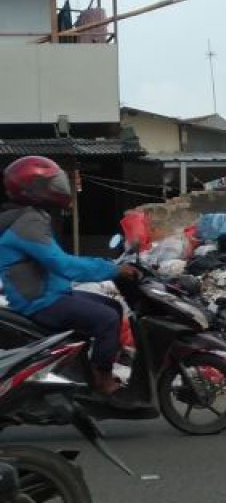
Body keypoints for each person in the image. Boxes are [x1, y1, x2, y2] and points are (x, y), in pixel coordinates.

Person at [0, 156, 138, 401]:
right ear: (32, 190)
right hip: (40, 301)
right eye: (51, 184)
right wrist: (113, 270)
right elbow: (63, 265)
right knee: (106, 319)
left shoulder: (29, 216)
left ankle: (90, 365)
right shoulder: (26, 223)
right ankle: (102, 378)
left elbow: (58, 260)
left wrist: (108, 265)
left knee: (113, 307)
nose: (60, 189)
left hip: (51, 293)